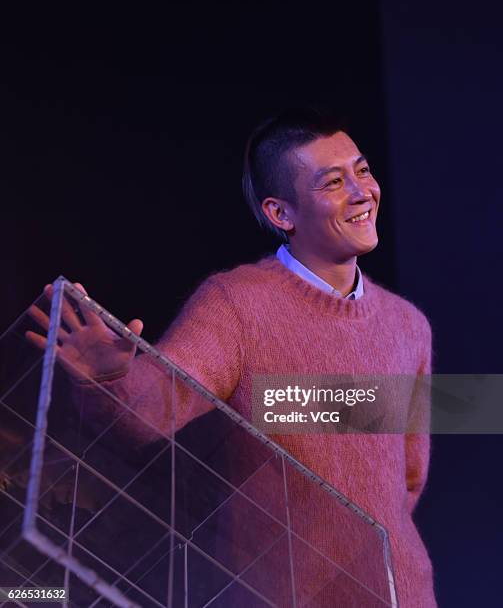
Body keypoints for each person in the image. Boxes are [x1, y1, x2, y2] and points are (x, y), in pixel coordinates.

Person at [27, 109, 436, 607]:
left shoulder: (408, 325)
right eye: (333, 182)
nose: (361, 192)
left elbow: (408, 480)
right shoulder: (237, 303)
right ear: (280, 213)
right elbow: (155, 411)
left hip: (401, 595)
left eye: (363, 170)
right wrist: (110, 379)